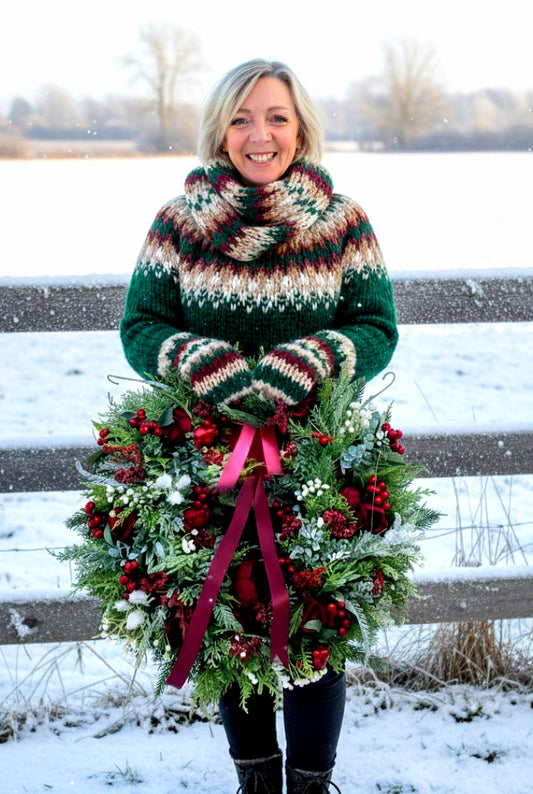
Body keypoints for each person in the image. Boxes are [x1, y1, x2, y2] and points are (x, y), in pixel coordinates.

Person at [120, 58, 398, 794]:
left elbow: (375, 327)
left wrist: (312, 359)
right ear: (220, 129)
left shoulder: (343, 223)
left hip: (315, 457)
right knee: (226, 624)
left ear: (300, 126)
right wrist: (196, 356)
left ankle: (311, 782)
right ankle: (255, 783)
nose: (259, 134)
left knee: (312, 628)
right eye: (241, 118)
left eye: (275, 116)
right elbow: (140, 325)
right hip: (203, 460)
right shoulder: (178, 224)